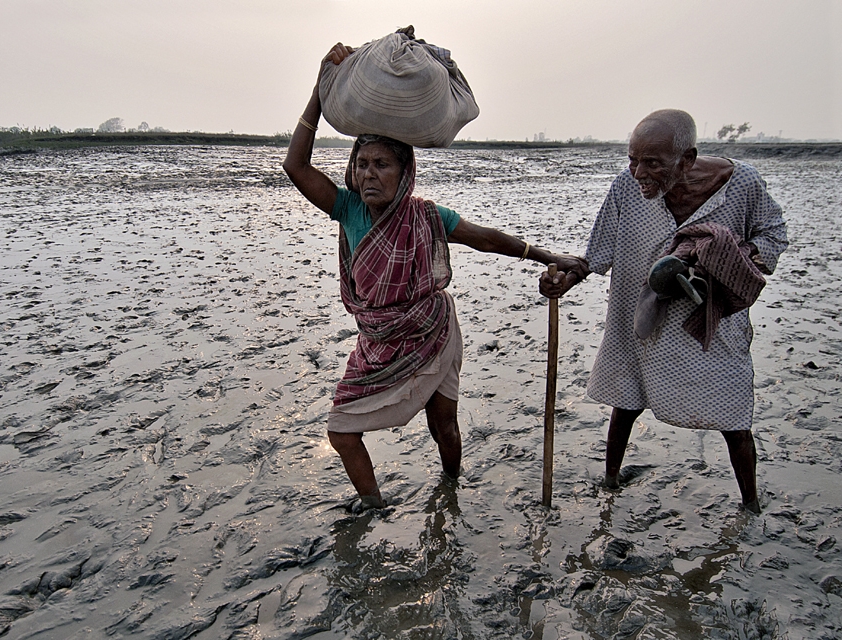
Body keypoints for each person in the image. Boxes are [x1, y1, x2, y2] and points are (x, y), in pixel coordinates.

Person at [284, 43, 589, 509]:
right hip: (379, 341)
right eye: (362, 165)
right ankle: (374, 506)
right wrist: (319, 86)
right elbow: (295, 166)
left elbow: (485, 237)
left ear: (404, 173)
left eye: (382, 165)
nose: (369, 174)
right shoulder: (346, 209)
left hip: (433, 330)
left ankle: (451, 489)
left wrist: (546, 255)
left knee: (443, 421)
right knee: (342, 431)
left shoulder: (426, 215)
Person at [540, 109, 788, 514]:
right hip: (636, 317)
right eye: (633, 160)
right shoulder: (626, 188)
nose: (639, 173)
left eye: (652, 163)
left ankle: (751, 504)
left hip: (709, 322)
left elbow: (773, 232)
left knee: (734, 414)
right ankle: (611, 479)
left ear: (687, 159)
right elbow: (598, 252)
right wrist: (566, 281)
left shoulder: (741, 184)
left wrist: (734, 257)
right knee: (627, 401)